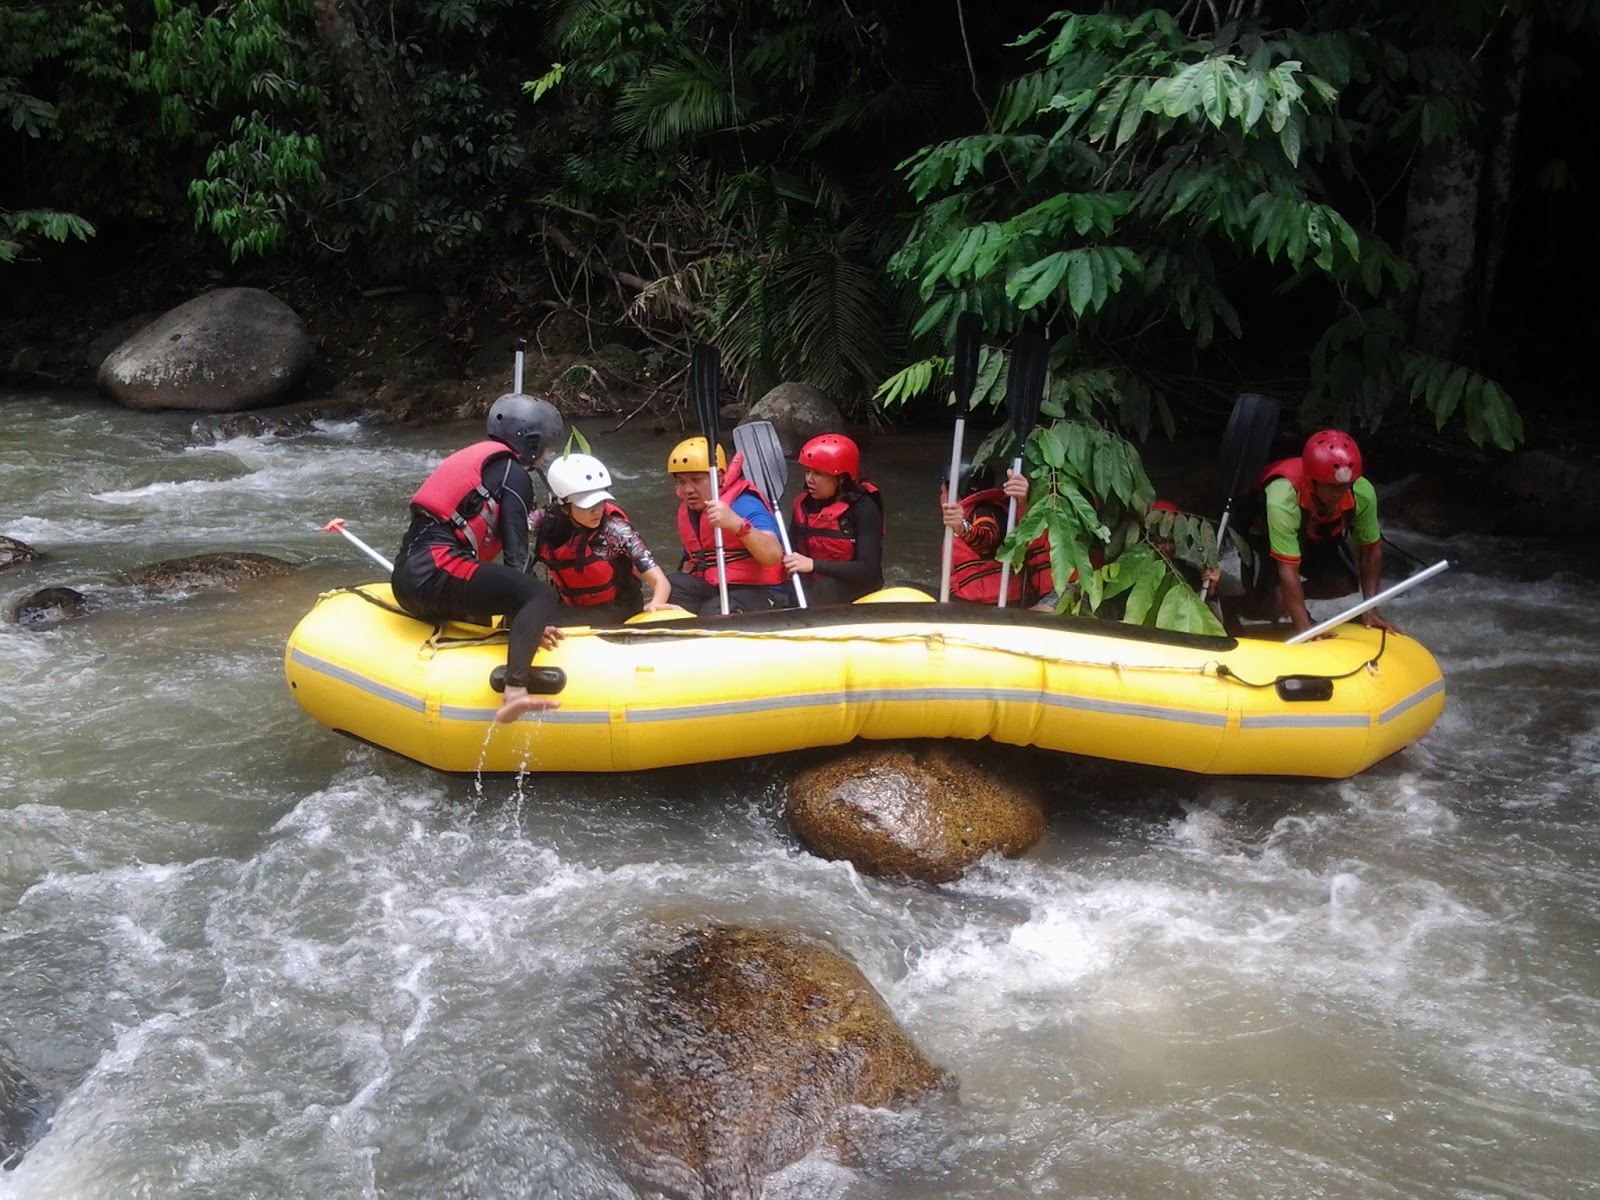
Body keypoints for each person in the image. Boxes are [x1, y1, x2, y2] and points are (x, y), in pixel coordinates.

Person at [391, 392, 566, 724]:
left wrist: (525, 622)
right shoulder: (513, 474)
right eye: (544, 446)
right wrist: (531, 609)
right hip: (437, 570)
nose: (545, 455)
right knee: (539, 593)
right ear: (530, 442)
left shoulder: (480, 461)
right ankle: (515, 690)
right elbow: (517, 557)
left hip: (406, 578)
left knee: (504, 594)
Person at [1231, 429, 1400, 636]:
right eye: (1332, 487)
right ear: (1312, 482)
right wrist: (1304, 626)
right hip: (1265, 533)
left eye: (1345, 486)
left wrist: (1370, 610)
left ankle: (1291, 603)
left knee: (1342, 584)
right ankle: (1231, 607)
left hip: (1314, 533)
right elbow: (1288, 567)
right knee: (1273, 606)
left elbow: (1371, 551)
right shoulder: (1283, 496)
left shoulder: (1362, 492)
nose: (1341, 493)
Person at [530, 452, 672, 625]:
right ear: (564, 506)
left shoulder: (616, 531)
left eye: (601, 501)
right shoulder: (543, 522)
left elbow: (660, 581)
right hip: (572, 606)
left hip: (618, 607)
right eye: (588, 505)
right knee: (521, 618)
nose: (597, 511)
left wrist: (656, 603)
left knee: (545, 622)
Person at [665, 436, 788, 615]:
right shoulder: (692, 512)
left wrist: (737, 524)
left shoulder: (744, 503)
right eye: (682, 482)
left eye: (696, 480)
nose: (688, 489)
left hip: (764, 592)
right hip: (717, 589)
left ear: (719, 477)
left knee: (714, 610)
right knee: (673, 586)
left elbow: (773, 556)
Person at [783, 433, 884, 605]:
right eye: (807, 471)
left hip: (855, 587)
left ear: (841, 478)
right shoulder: (803, 505)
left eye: (818, 474)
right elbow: (791, 549)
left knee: (825, 587)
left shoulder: (864, 508)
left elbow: (868, 569)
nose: (809, 480)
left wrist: (814, 565)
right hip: (814, 587)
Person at [938, 465, 1058, 610]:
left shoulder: (986, 512)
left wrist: (962, 528)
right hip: (982, 601)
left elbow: (986, 538)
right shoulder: (984, 510)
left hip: (992, 604)